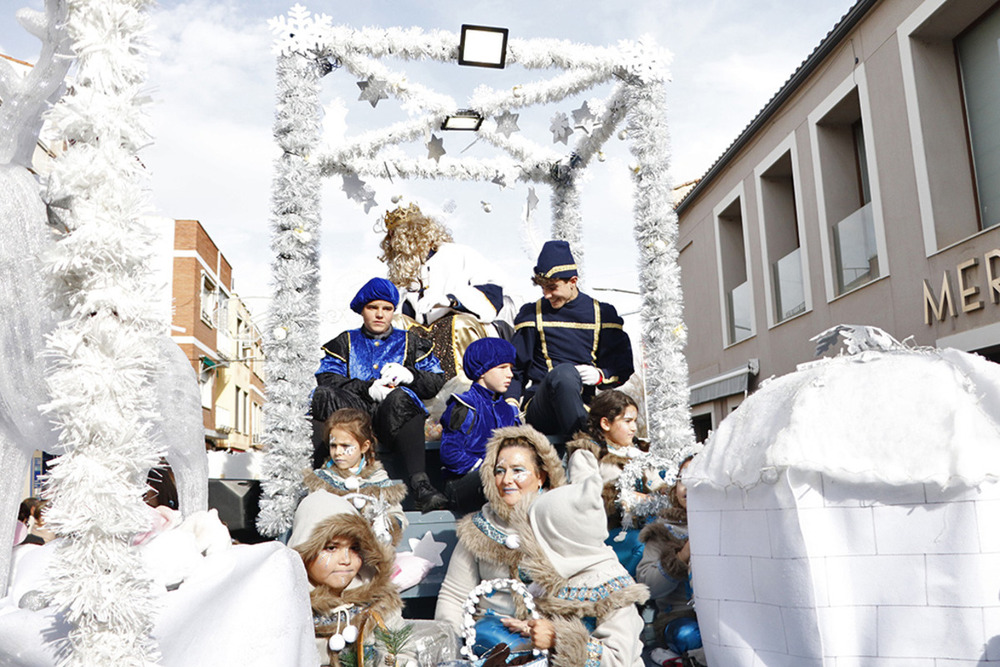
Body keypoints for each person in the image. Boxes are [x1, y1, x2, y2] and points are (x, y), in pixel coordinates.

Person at [310, 277, 448, 512]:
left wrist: (410, 375)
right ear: (362, 310)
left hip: (392, 421)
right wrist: (367, 388)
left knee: (403, 396)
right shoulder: (345, 342)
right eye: (373, 308)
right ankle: (320, 480)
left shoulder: (411, 342)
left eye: (387, 309)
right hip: (353, 419)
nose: (380, 314)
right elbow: (327, 377)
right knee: (323, 394)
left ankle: (420, 485)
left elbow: (435, 381)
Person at [503, 448, 648, 667]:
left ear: (561, 542)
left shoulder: (612, 590)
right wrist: (531, 627)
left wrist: (558, 639)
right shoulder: (557, 578)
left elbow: (618, 660)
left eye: (537, 537)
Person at [434, 425, 566, 646]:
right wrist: (454, 646)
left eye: (518, 470)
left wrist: (546, 630)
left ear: (541, 476)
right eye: (500, 471)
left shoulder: (563, 525)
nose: (506, 480)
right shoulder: (477, 528)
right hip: (491, 641)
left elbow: (581, 596)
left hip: (552, 638)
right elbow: (454, 597)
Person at [505, 240, 634, 438]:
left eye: (552, 287)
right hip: (541, 407)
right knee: (564, 373)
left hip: (584, 405)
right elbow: (516, 368)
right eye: (543, 289)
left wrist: (600, 374)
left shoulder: (602, 313)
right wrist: (511, 404)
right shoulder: (532, 313)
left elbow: (621, 366)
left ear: (572, 281)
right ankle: (587, 445)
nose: (546, 295)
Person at [378, 203, 514, 380]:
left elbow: (491, 292)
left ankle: (466, 388)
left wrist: (449, 300)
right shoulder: (403, 276)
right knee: (394, 324)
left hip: (462, 330)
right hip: (423, 336)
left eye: (400, 238)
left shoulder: (459, 254)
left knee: (457, 324)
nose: (396, 246)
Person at [289, 490, 407, 667]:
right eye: (330, 548)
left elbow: (400, 651)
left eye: (354, 548)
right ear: (305, 550)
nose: (345, 560)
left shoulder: (377, 600)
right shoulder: (288, 604)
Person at [566, 390, 647, 576]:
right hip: (608, 533)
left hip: (646, 525)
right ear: (605, 423)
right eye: (627, 421)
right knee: (643, 545)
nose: (633, 428)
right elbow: (585, 497)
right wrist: (623, 497)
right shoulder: (587, 454)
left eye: (634, 421)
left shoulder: (638, 452)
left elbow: (657, 482)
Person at [438, 337, 521, 514]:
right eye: (502, 368)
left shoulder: (509, 411)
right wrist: (490, 468)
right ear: (482, 370)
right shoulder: (465, 405)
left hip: (503, 480)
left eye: (511, 368)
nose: (510, 375)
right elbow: (450, 454)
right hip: (463, 484)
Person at [304, 408, 408, 546]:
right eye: (333, 446)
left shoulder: (378, 479)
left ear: (364, 446)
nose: (338, 452)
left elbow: (397, 517)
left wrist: (384, 525)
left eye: (345, 446)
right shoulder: (321, 481)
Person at [636, 455, 701, 658]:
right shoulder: (663, 530)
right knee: (689, 637)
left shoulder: (730, 523)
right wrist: (681, 557)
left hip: (727, 615)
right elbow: (647, 586)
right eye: (683, 478)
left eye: (697, 478)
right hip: (680, 616)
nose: (687, 486)